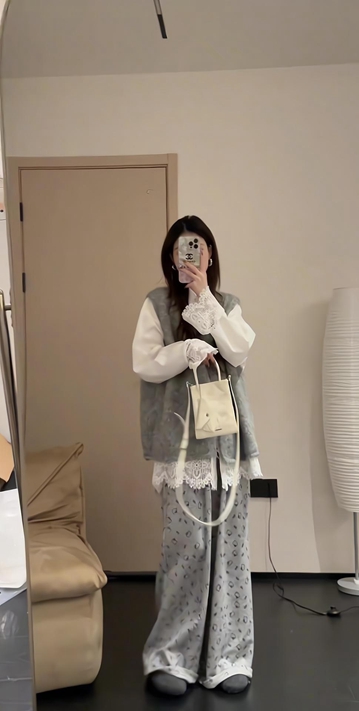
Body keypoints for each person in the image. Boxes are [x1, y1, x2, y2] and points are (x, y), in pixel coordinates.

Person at [132, 215, 262, 696]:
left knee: (231, 551)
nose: (191, 254)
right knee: (186, 549)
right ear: (172, 256)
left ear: (210, 255)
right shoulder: (156, 305)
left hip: (227, 444)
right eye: (183, 248)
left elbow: (239, 350)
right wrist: (185, 348)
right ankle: (173, 655)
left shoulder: (227, 305)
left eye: (199, 247)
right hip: (181, 444)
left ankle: (228, 656)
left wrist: (205, 297)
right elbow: (144, 363)